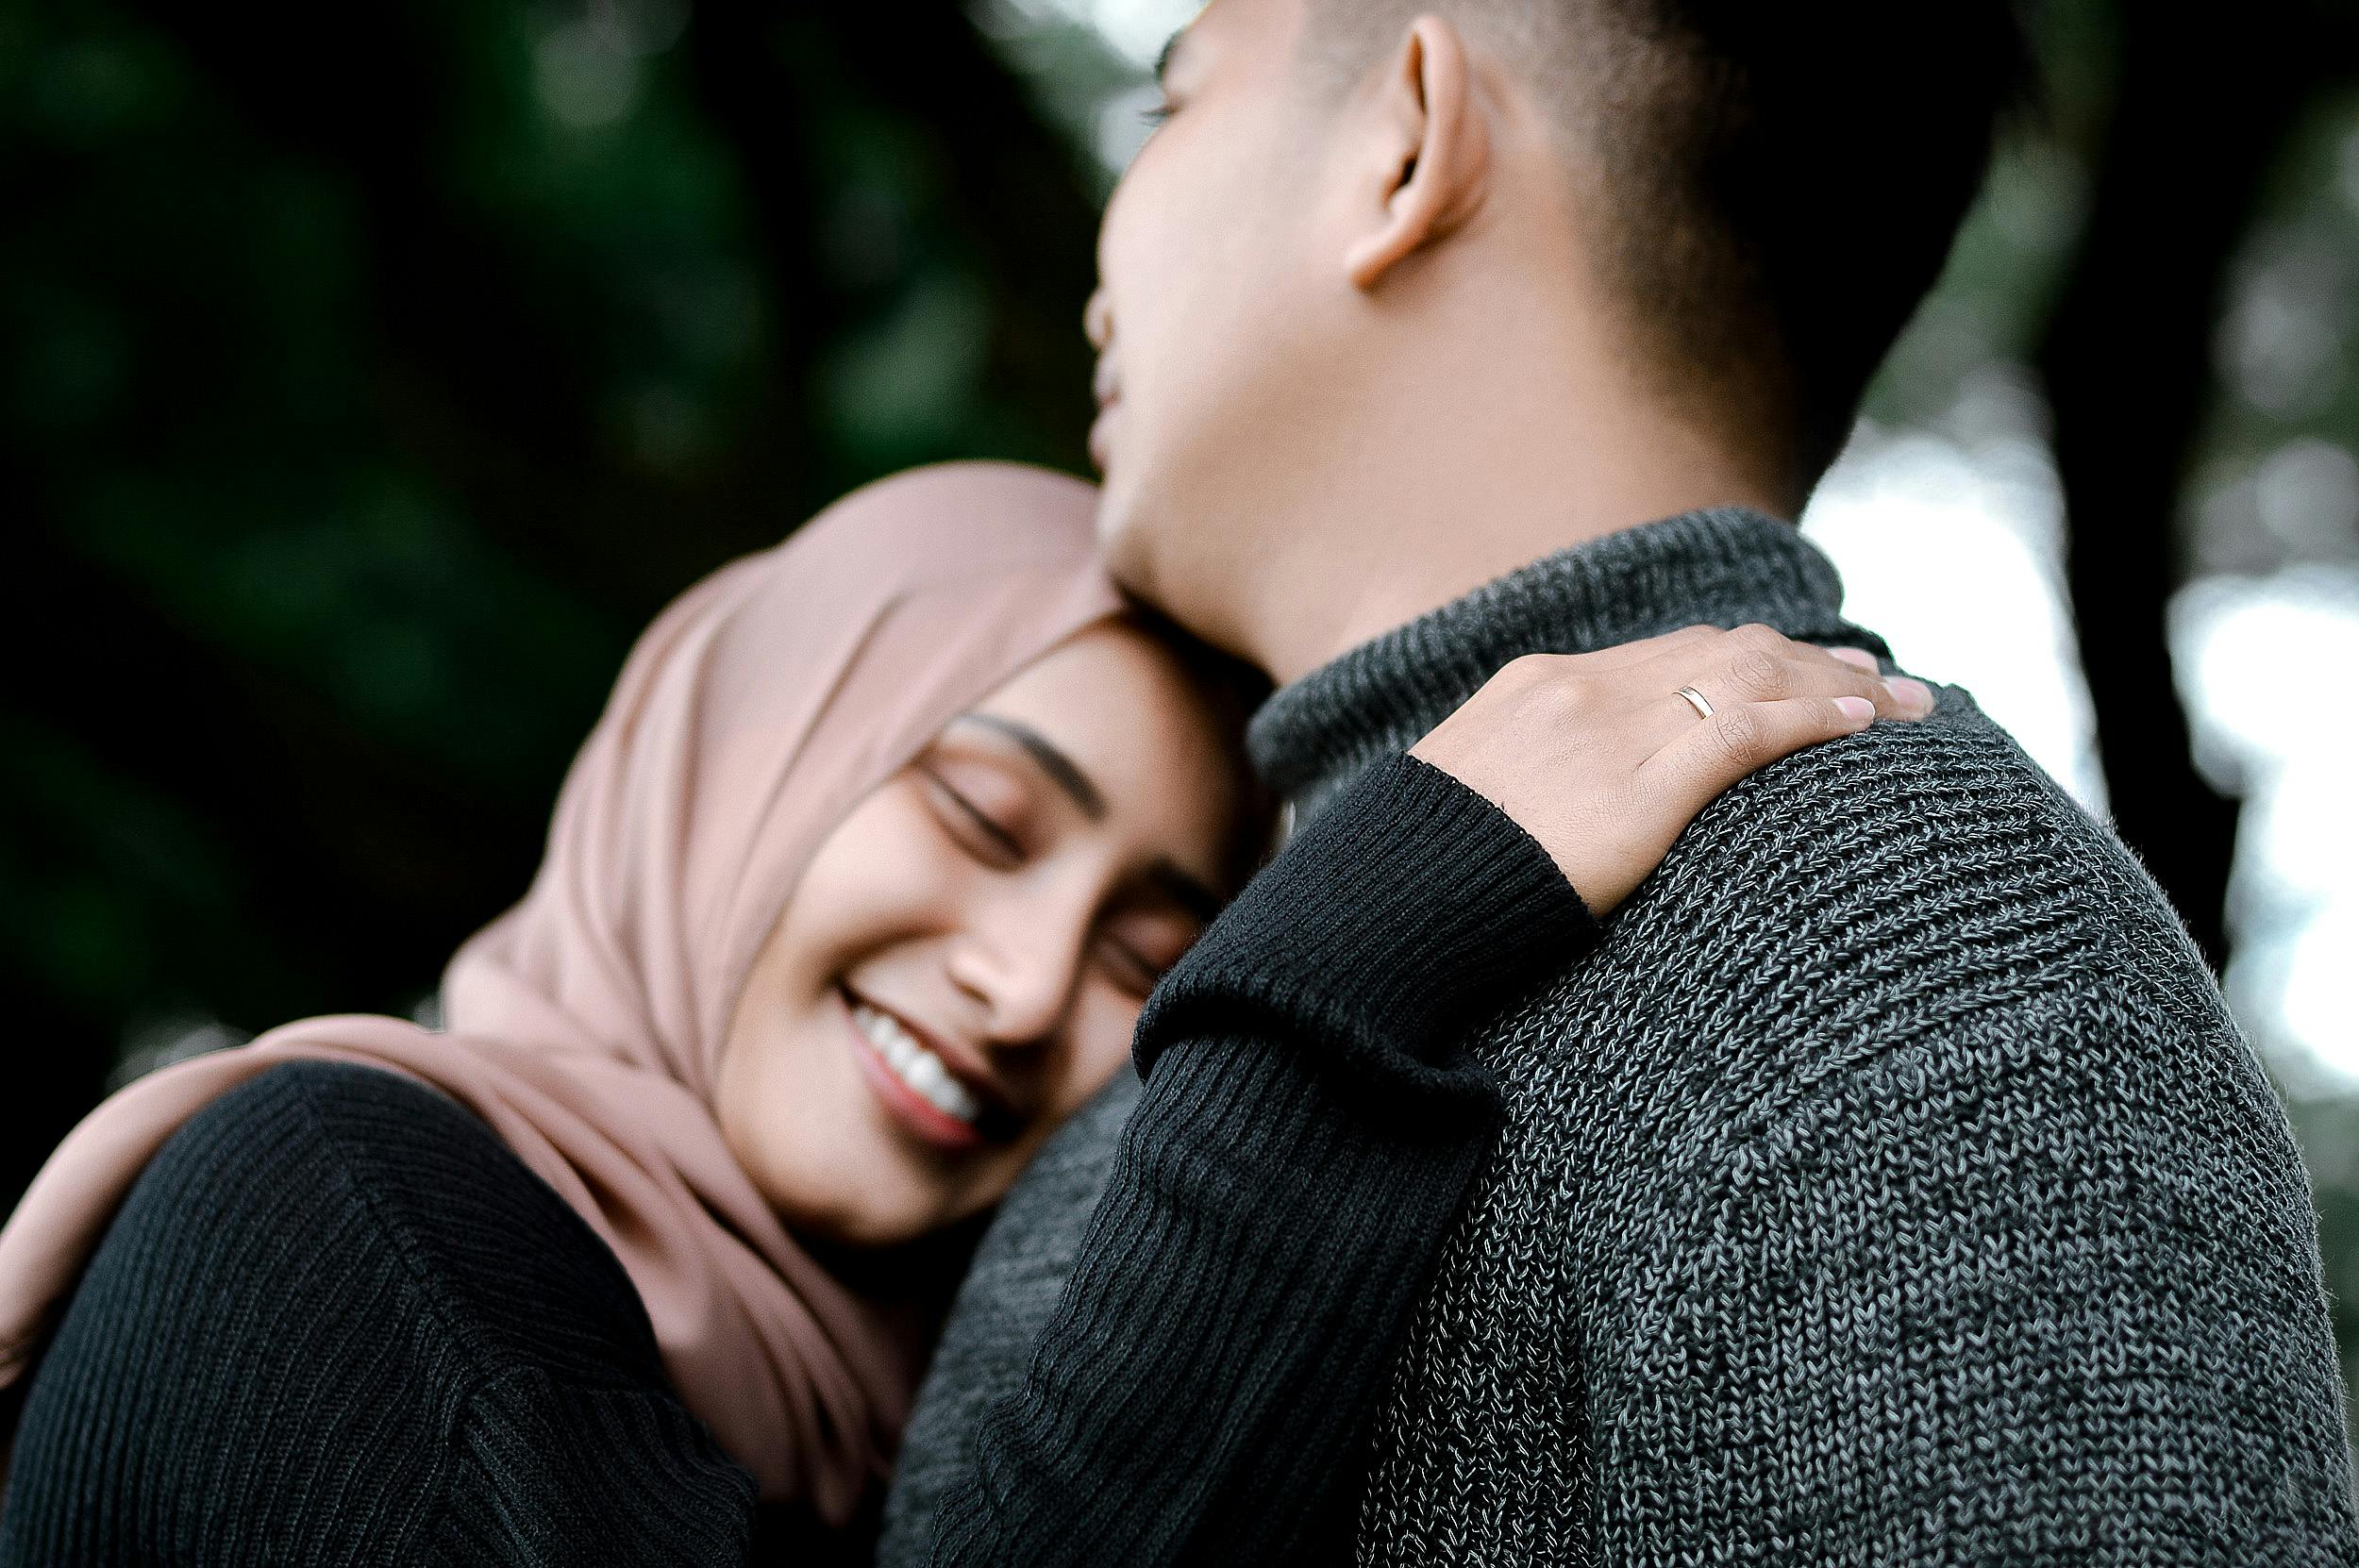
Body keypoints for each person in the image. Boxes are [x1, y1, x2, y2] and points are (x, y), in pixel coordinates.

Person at [878, 2, 2359, 1563]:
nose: (1111, 233)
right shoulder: (1223, 992)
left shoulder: (1898, 942)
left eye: (1173, 101)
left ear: (1402, 140)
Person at [0, 463, 1914, 1563]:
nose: (1013, 993)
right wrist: (1369, 941)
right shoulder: (335, 1230)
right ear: (733, 769)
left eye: (1143, 961)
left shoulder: (904, 1410)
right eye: (978, 814)